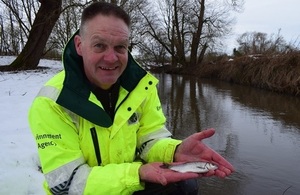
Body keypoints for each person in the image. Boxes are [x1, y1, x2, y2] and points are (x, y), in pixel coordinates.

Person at [28, 2, 234, 195]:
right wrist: (136, 175)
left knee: (185, 184)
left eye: (120, 47)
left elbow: (150, 141)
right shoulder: (52, 102)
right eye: (99, 45)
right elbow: (66, 184)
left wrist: (175, 150)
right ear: (80, 45)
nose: (111, 58)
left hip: (128, 185)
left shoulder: (142, 88)